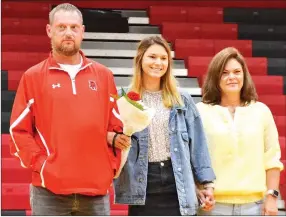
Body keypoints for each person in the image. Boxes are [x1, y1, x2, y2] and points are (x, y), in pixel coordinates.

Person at [9, 3, 131, 216]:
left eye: (74, 27)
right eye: (61, 27)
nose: (68, 33)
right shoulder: (33, 77)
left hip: (96, 193)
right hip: (49, 194)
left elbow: (118, 130)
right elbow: (19, 132)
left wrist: (108, 167)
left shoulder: (104, 76)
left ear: (82, 31)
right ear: (49, 30)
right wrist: (43, 165)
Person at [113, 36, 216, 216]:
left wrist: (206, 184)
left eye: (163, 58)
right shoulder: (124, 98)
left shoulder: (182, 99)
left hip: (177, 180)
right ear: (140, 59)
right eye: (152, 57)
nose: (158, 63)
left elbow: (198, 145)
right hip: (143, 183)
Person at [196, 47, 284, 215]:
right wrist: (197, 191)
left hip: (255, 207)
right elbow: (192, 158)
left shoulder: (261, 111)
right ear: (215, 77)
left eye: (237, 71)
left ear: (244, 75)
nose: (232, 77)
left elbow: (272, 159)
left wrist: (272, 197)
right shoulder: (200, 111)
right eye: (225, 73)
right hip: (212, 207)